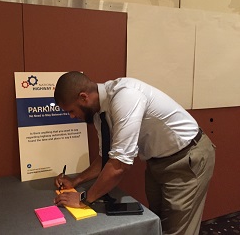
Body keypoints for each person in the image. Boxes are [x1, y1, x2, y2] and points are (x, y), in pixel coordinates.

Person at [53, 71, 215, 235]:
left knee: (177, 231)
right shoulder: (99, 114)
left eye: (71, 111)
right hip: (156, 163)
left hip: (186, 158)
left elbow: (119, 165)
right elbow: (106, 157)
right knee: (157, 224)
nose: (72, 116)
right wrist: (76, 180)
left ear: (83, 97)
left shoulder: (126, 96)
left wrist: (84, 199)